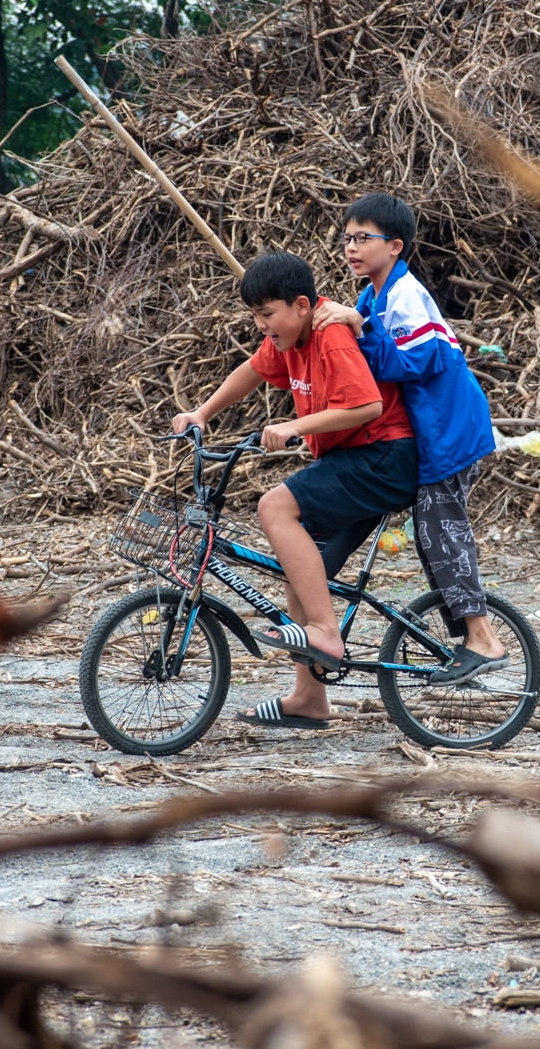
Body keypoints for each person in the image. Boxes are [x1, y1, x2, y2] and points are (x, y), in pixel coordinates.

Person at [170, 251, 418, 729]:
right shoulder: (289, 338)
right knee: (303, 567)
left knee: (276, 507)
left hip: (383, 457)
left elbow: (366, 405)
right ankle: (309, 698)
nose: (262, 326)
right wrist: (202, 412)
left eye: (267, 314)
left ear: (301, 305)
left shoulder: (330, 335)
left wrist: (294, 426)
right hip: (359, 459)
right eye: (255, 316)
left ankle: (325, 632)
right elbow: (253, 369)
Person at [313, 193, 505, 685]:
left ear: (395, 246)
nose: (351, 247)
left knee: (441, 529)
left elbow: (412, 362)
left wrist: (360, 329)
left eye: (364, 238)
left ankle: (482, 636)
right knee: (428, 536)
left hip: (449, 430)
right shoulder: (372, 295)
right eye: (347, 238)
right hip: (428, 432)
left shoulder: (405, 295)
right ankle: (466, 636)